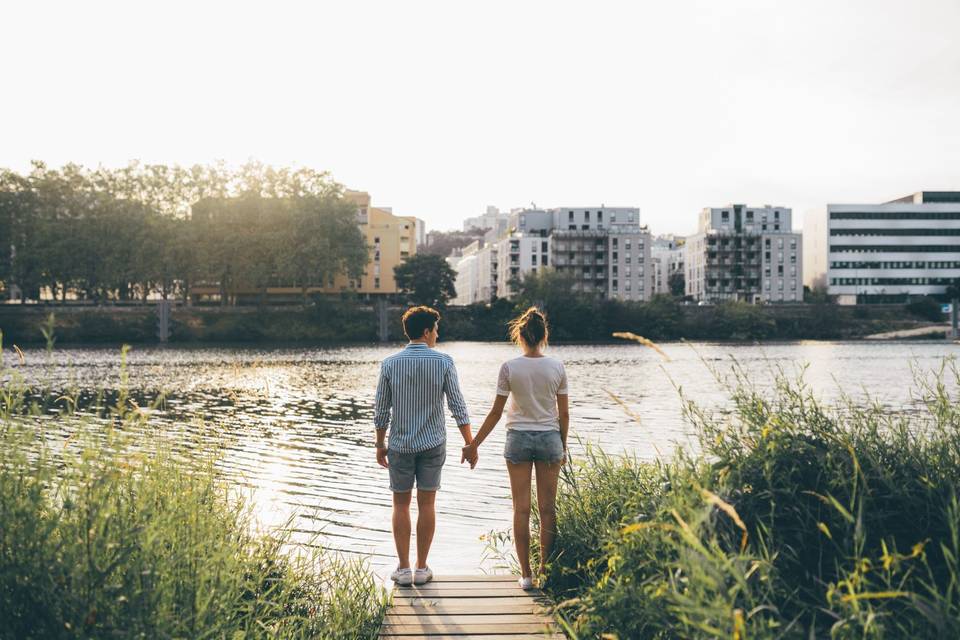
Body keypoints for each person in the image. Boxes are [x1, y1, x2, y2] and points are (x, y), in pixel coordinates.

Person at [461, 307, 569, 589]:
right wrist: (563, 446)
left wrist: (474, 445)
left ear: (519, 336)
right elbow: (564, 414)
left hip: (518, 439)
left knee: (521, 510)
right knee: (548, 510)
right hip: (549, 440)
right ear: (544, 336)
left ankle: (526, 575)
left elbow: (496, 412)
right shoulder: (557, 367)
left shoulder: (509, 367)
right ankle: (545, 570)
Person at [373, 305, 478, 587]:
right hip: (433, 444)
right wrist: (470, 443)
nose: (437, 334)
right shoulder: (444, 362)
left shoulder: (390, 364)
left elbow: (381, 411)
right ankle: (422, 568)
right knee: (427, 503)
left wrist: (380, 444)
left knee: (401, 503)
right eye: (436, 330)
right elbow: (458, 406)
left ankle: (404, 569)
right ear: (426, 331)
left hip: (400, 444)